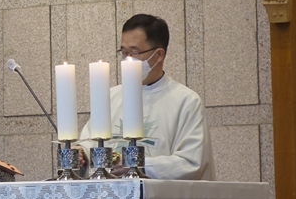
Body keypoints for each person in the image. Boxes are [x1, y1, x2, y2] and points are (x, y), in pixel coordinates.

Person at [78, 15, 213, 180]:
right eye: (124, 52)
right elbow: (89, 142)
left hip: (157, 195)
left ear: (159, 55)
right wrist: (81, 153)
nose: (127, 59)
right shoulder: (110, 97)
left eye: (134, 52)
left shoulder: (186, 102)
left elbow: (191, 162)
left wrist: (139, 165)